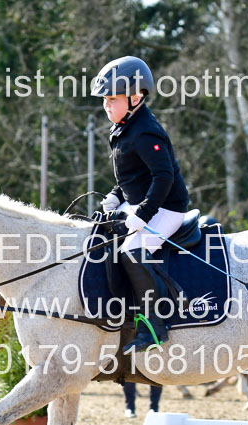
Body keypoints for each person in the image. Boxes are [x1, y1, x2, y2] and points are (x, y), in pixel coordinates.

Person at [91, 55, 189, 354]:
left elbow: (164, 177)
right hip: (140, 203)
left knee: (132, 251)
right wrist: (116, 196)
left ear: (135, 97)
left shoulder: (146, 131)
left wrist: (143, 215)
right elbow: (135, 176)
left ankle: (153, 326)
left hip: (167, 208)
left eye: (112, 98)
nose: (106, 104)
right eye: (105, 99)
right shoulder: (124, 126)